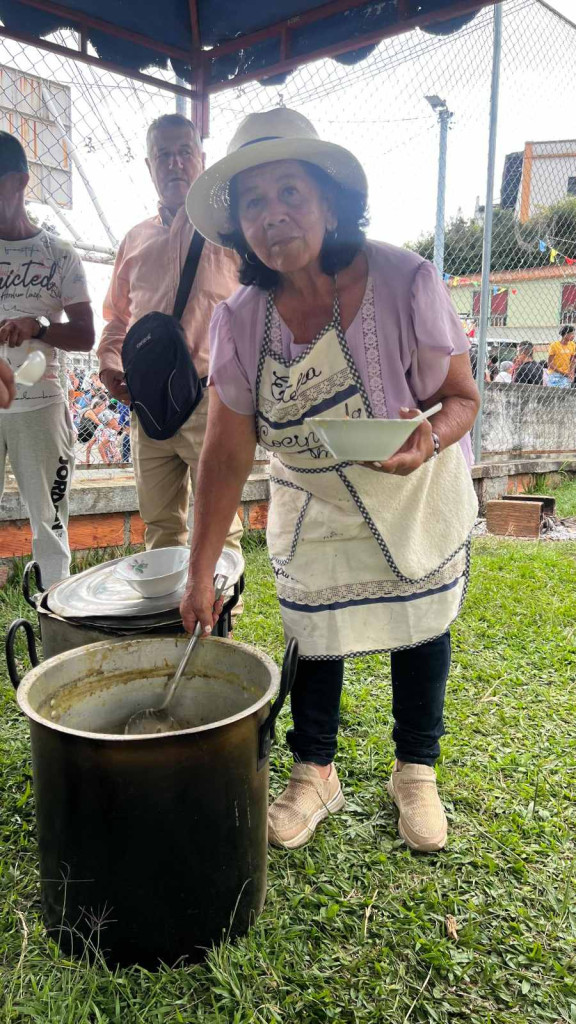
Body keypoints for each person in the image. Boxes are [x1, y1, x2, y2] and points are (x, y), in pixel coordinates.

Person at [180, 109, 480, 853]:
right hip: (312, 497)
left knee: (421, 625)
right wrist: (197, 574)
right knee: (312, 629)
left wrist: (430, 438)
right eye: (253, 202)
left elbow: (464, 399)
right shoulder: (241, 319)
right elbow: (224, 453)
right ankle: (315, 772)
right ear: (239, 226)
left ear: (330, 202)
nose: (273, 216)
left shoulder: (405, 279)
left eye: (291, 193)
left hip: (410, 488)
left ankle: (416, 770)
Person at [98, 113, 242, 556]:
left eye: (184, 153)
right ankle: (169, 621)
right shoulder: (134, 239)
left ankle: (222, 623)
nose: (175, 164)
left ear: (201, 159)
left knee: (221, 525)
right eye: (164, 155)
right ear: (149, 165)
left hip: (211, 402)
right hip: (149, 407)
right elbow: (117, 318)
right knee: (160, 525)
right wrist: (109, 362)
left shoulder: (230, 234)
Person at [0, 131, 94, 586]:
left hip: (40, 406)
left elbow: (85, 334)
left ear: (19, 182)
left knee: (50, 526)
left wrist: (37, 326)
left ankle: (57, 622)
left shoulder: (58, 254)